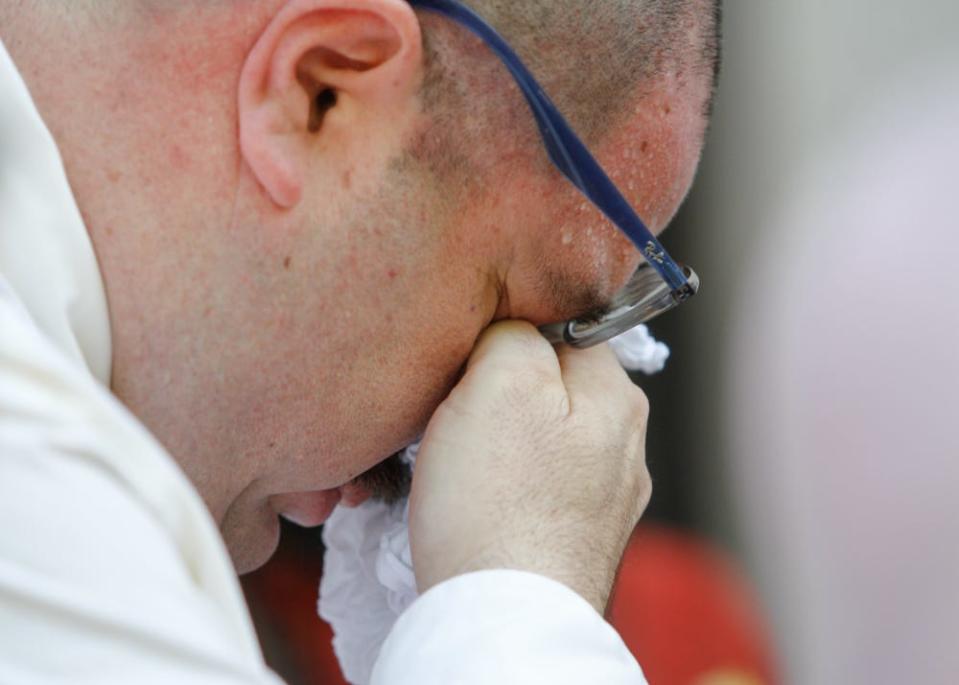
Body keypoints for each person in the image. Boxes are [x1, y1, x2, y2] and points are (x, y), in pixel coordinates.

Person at [0, 0, 720, 682]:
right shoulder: (38, 497)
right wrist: (517, 594)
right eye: (503, 322)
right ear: (319, 92)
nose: (428, 451)